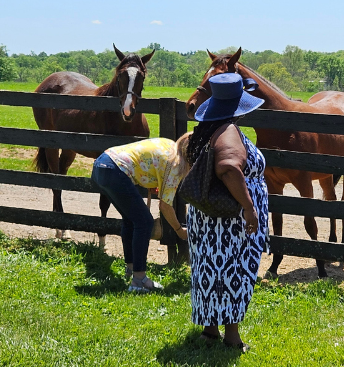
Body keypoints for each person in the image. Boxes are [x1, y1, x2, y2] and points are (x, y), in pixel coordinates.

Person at [186, 73, 269, 352]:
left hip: (209, 218)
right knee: (234, 269)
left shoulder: (210, 129)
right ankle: (232, 338)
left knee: (210, 270)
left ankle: (210, 331)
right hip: (231, 221)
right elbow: (229, 167)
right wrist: (249, 207)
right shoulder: (229, 131)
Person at [91, 135, 190, 293]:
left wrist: (152, 182)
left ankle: (131, 271)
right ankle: (138, 280)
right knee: (145, 222)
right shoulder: (177, 166)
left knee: (131, 219)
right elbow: (165, 206)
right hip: (116, 170)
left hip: (101, 164)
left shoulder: (169, 145)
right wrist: (180, 231)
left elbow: (147, 161)